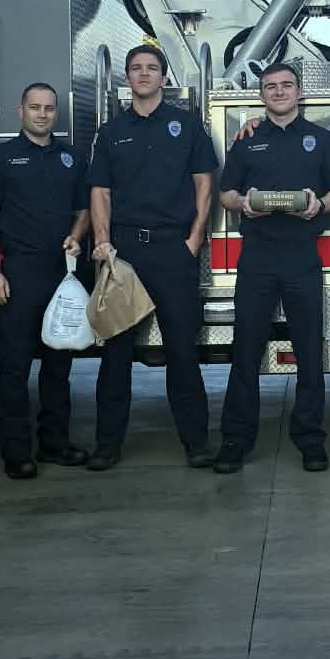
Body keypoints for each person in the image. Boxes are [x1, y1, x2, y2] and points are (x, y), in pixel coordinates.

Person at [87, 43, 219, 471]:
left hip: (172, 250)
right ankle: (107, 445)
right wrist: (103, 243)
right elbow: (100, 192)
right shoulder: (110, 133)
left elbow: (204, 185)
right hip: (124, 253)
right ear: (126, 78)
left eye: (151, 68)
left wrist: (193, 240)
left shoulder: (188, 126)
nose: (143, 74)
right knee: (116, 354)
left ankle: (196, 443)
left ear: (164, 77)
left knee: (182, 352)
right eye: (136, 68)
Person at [213, 62, 330, 475]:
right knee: (245, 352)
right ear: (262, 95)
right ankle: (235, 441)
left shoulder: (321, 139)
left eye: (286, 85)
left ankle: (310, 440)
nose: (278, 92)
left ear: (299, 92)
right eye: (270, 86)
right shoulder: (247, 140)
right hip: (256, 259)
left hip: (302, 259)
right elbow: (225, 193)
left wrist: (318, 205)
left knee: (309, 352)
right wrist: (244, 203)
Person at [0, 82, 91, 480]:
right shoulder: (1, 158)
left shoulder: (72, 158)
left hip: (62, 274)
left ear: (56, 112)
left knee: (59, 366)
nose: (42, 114)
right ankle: (17, 452)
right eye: (35, 107)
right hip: (17, 274)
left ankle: (55, 444)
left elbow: (84, 210)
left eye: (49, 108)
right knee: (15, 368)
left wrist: (76, 235)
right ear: (20, 111)